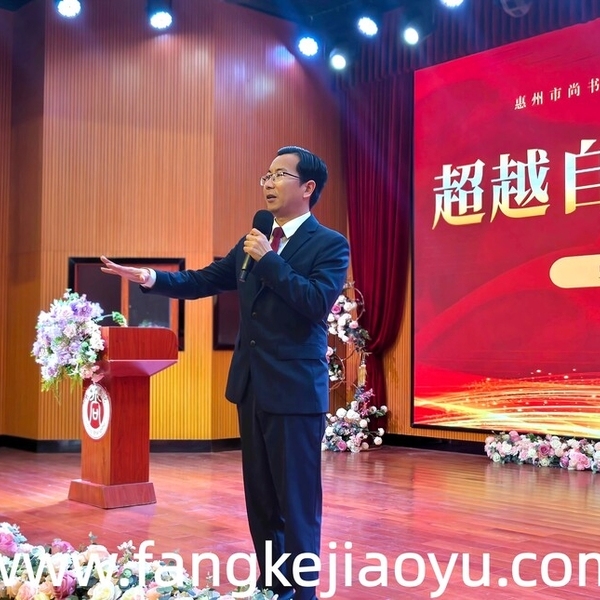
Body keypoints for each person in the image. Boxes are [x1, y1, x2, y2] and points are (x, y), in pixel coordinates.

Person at [100, 146, 350, 600]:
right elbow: (202, 280)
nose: (268, 182)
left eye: (280, 175)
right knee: (262, 502)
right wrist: (149, 277)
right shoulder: (254, 239)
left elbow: (316, 303)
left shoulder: (329, 244)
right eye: (266, 175)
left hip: (295, 393)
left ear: (308, 187)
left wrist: (270, 261)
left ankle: (303, 593)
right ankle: (272, 587)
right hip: (251, 387)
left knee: (297, 505)